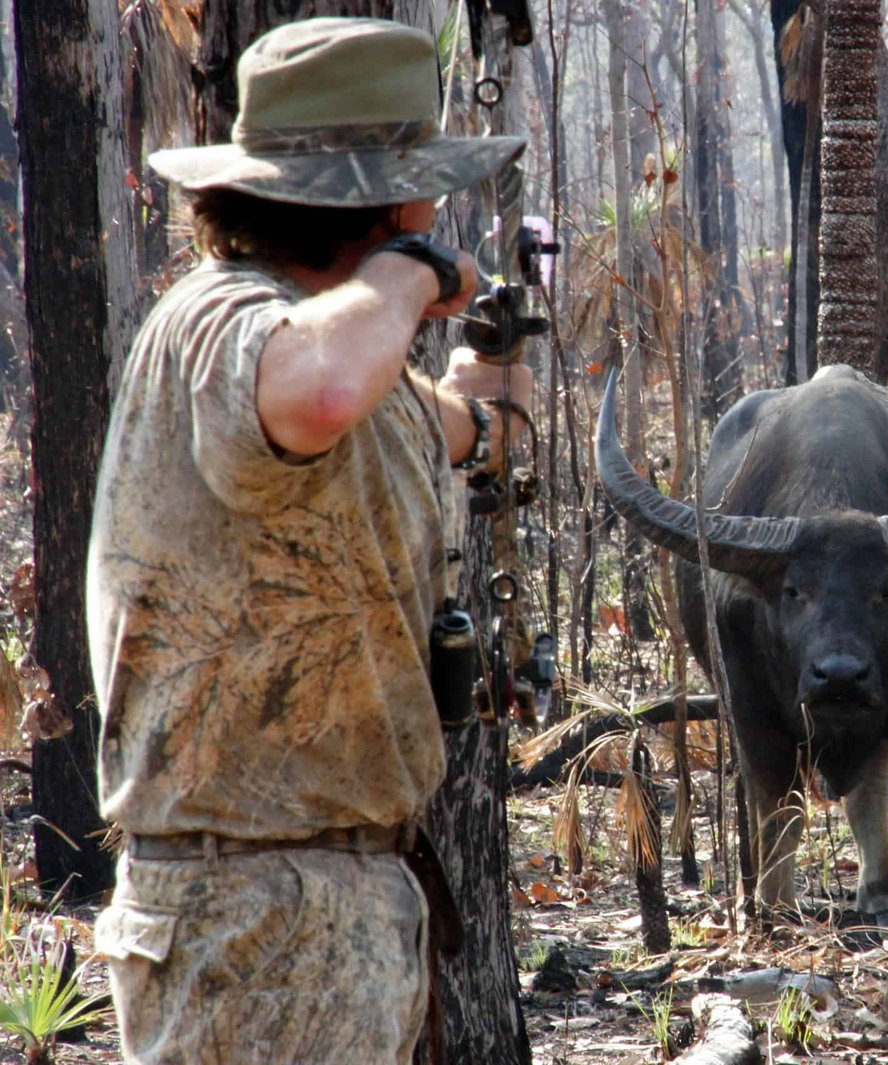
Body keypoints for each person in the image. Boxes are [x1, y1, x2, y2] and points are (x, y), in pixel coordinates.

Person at [85, 17, 532, 1064]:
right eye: (420, 193)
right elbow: (319, 388)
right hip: (242, 915)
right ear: (384, 207)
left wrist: (490, 384)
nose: (434, 211)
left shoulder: (346, 358)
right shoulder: (219, 323)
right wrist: (418, 271)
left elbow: (444, 421)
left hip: (343, 907)